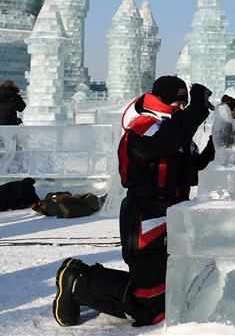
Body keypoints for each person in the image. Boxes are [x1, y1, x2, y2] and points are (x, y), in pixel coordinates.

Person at [52, 76, 215, 327]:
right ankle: (78, 280)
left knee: (168, 293)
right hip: (145, 215)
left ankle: (87, 282)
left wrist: (222, 136)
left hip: (172, 211)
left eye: (184, 105)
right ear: (160, 101)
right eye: (177, 104)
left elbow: (193, 166)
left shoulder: (174, 129)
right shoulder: (143, 125)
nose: (181, 109)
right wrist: (197, 109)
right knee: (150, 304)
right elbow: (165, 142)